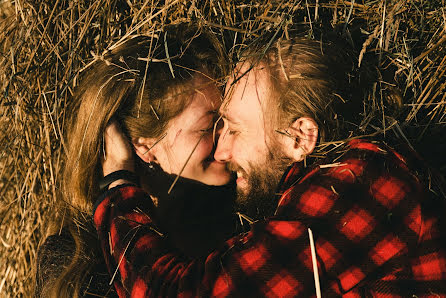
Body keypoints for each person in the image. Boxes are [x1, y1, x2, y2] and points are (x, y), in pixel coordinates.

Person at [94, 31, 446, 296]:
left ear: (298, 138)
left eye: (233, 128)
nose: (222, 151)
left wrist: (118, 186)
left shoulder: (358, 187)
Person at [35, 26, 241, 297]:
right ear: (145, 147)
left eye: (227, 119)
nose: (228, 135)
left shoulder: (242, 223)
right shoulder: (79, 264)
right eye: (209, 126)